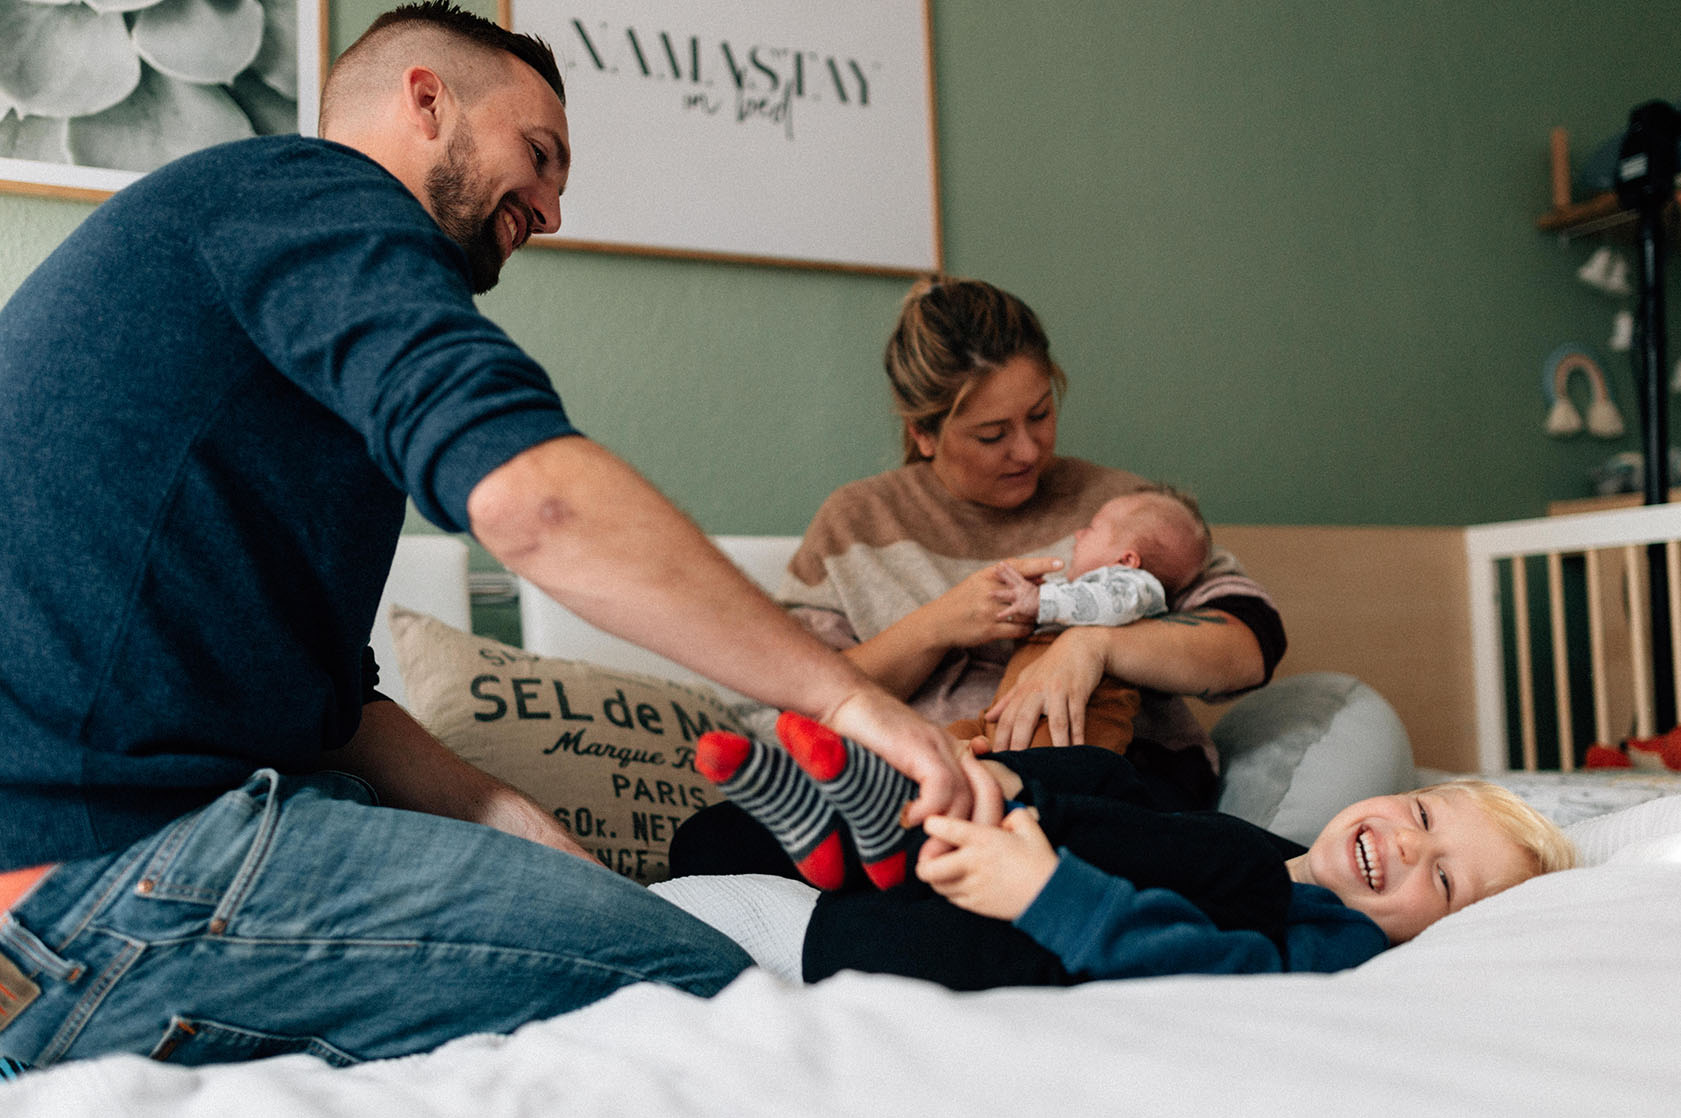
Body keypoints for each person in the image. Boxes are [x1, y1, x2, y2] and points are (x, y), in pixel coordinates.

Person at [0, 2, 968, 1070]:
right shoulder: (308, 195)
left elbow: (332, 711)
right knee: (735, 1016)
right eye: (539, 154)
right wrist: (842, 696)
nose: (549, 208)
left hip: (90, 901)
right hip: (97, 878)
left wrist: (535, 839)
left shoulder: (246, 325)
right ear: (427, 99)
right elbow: (535, 505)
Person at [777, 275, 1287, 806]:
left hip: (1118, 783)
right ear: (922, 433)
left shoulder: (1123, 507)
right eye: (992, 435)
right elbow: (795, 708)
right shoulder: (854, 524)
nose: (1027, 451)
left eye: (1040, 414)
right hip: (927, 785)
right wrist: (934, 628)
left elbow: (1248, 644)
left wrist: (1095, 645)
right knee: (714, 838)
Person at [678, 716, 1577, 989]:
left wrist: (1046, 889)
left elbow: (1213, 966)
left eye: (1445, 879)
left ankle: (873, 830)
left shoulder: (1336, 943)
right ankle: (869, 820)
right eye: (1421, 810)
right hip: (965, 859)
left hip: (952, 935)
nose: (1406, 845)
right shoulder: (1259, 850)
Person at [946, 485, 1213, 755]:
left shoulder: (1135, 587)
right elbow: (1078, 602)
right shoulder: (1081, 590)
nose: (1079, 533)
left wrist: (1041, 600)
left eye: (1092, 528)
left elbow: (1108, 604)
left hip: (1074, 722)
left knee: (1044, 760)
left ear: (1126, 560)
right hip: (1007, 713)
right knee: (950, 739)